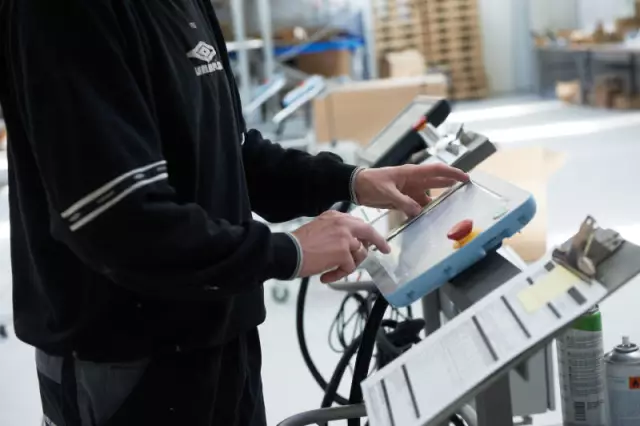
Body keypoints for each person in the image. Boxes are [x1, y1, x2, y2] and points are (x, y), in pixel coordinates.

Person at [0, 1, 469, 425]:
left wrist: (352, 181)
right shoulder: (64, 14)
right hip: (126, 358)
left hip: (221, 332)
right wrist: (288, 251)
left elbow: (233, 152)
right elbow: (120, 221)